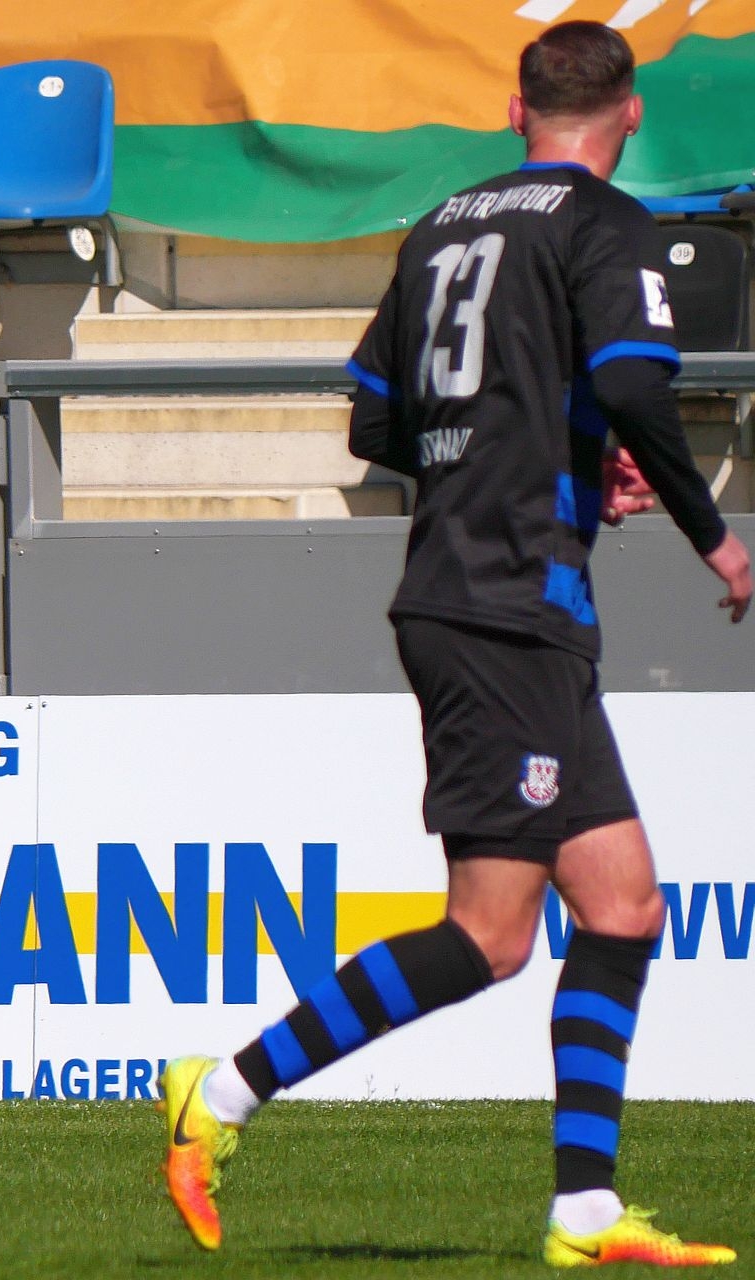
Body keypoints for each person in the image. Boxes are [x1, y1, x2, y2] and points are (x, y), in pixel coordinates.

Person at [159, 21, 748, 1267]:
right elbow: (634, 386)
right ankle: (223, 1091)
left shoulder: (442, 225)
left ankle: (585, 1212)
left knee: (624, 905)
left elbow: (376, 421)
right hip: (502, 607)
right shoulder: (604, 223)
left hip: (502, 596)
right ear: (631, 111)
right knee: (489, 933)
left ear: (516, 111)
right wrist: (716, 537)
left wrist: (544, 459)